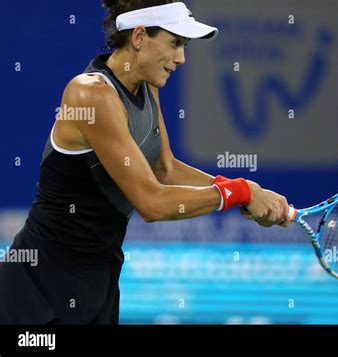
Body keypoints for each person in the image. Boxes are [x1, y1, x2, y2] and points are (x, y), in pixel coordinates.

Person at [0, 0, 290, 324]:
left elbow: (164, 170)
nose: (181, 58)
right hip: (37, 292)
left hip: (100, 284)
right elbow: (152, 203)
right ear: (139, 37)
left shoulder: (147, 87)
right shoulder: (90, 94)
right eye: (176, 43)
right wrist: (239, 192)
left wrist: (251, 193)